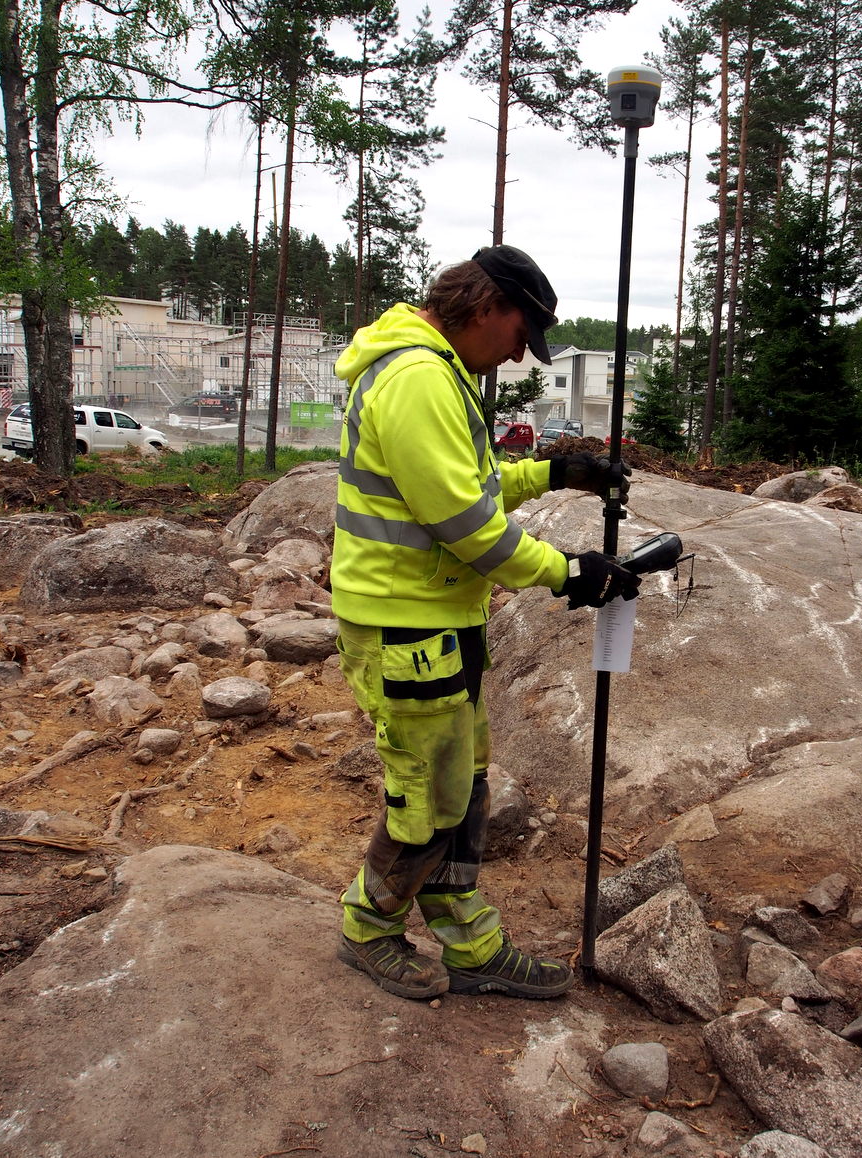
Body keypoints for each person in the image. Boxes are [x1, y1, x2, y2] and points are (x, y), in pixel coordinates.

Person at [331, 244, 639, 1001]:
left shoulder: (440, 371)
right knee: (426, 796)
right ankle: (368, 928)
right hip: (403, 622)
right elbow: (466, 526)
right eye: (517, 335)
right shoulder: (415, 378)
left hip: (438, 616)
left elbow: (475, 483)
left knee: (461, 789)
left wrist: (555, 471)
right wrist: (568, 573)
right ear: (488, 306)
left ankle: (469, 943)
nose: (514, 355)